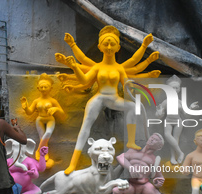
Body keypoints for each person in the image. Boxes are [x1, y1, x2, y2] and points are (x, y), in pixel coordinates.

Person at [59, 26, 160, 175]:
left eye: (112, 43)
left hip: (114, 99)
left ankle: (130, 141)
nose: (109, 46)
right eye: (105, 43)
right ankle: (73, 162)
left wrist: (144, 46)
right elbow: (86, 81)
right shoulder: (97, 67)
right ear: (99, 46)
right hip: (99, 98)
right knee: (85, 125)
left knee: (132, 107)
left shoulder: (119, 68)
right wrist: (75, 67)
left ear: (118, 47)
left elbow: (130, 70)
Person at [98, 133, 182, 194]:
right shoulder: (133, 151)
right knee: (117, 190)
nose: (152, 139)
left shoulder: (154, 160)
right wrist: (130, 168)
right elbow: (120, 157)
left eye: (155, 140)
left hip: (144, 185)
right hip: (131, 184)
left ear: (158, 147)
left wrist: (158, 181)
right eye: (152, 137)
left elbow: (159, 177)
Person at [20, 73, 65, 168]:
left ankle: (38, 150)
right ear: (38, 88)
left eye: (46, 87)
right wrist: (25, 107)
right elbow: (30, 112)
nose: (44, 89)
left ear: (50, 88)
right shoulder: (36, 101)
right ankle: (44, 153)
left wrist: (55, 109)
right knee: (43, 138)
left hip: (50, 119)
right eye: (42, 87)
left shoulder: (53, 101)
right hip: (40, 119)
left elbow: (62, 112)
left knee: (47, 133)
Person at [155, 75, 199, 165]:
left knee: (175, 139)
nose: (174, 90)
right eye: (172, 88)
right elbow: (159, 116)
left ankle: (173, 157)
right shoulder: (165, 102)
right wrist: (159, 113)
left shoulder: (180, 102)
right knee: (167, 135)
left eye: (176, 88)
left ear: (179, 89)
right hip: (168, 121)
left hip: (178, 121)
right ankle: (180, 153)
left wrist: (191, 108)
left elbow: (186, 115)